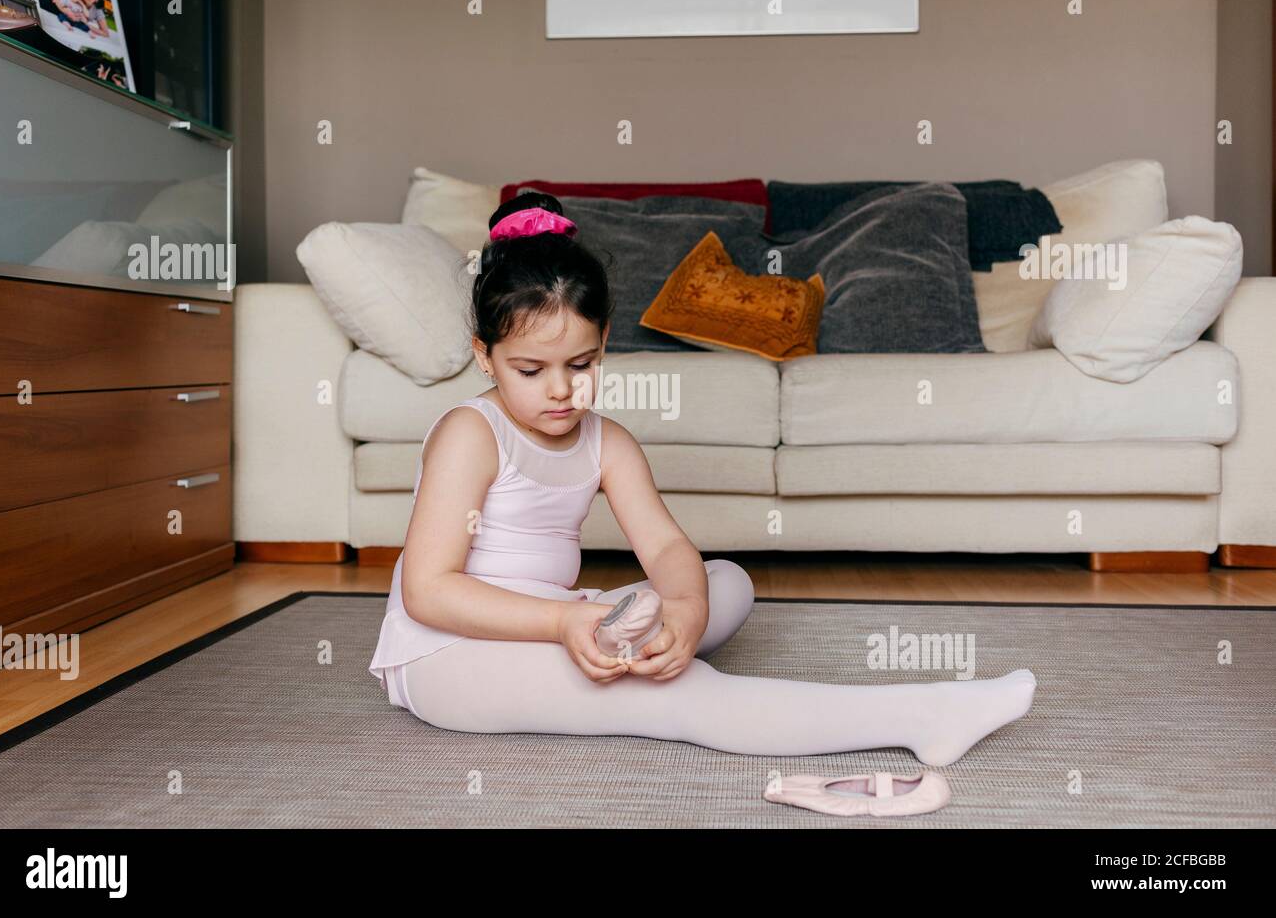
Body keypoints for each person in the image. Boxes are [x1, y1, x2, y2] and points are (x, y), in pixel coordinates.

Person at [367, 192, 1036, 765]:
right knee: (683, 693)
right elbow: (428, 591)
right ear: (486, 357)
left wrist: (684, 610)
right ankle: (922, 716)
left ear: (602, 345)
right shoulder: (471, 434)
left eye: (580, 363)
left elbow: (663, 549)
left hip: (554, 614)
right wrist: (563, 621)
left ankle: (636, 638)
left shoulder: (608, 442)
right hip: (449, 653)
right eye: (531, 370)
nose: (562, 391)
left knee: (725, 582)